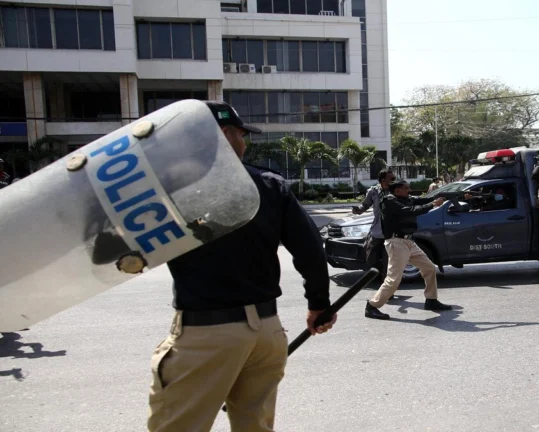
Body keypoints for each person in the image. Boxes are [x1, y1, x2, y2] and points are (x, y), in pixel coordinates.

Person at [147, 101, 335, 432]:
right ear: (224, 134)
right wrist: (319, 304)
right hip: (265, 333)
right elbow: (310, 249)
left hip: (207, 335)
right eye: (241, 135)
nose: (245, 144)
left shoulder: (167, 190)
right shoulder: (270, 186)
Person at [364, 180, 452, 320]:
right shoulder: (389, 201)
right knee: (394, 278)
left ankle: (431, 300)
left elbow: (425, 199)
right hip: (397, 243)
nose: (409, 190)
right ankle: (372, 306)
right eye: (406, 188)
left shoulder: (406, 199)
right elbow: (410, 211)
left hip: (409, 242)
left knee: (429, 268)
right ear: (397, 190)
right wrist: (433, 205)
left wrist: (450, 196)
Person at [352, 169, 395, 279]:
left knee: (387, 261)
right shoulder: (373, 191)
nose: (393, 180)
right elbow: (365, 204)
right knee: (370, 258)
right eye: (391, 178)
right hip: (377, 230)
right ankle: (381, 271)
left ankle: (387, 283)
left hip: (391, 232)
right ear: (383, 179)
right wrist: (358, 209)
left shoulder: (395, 190)